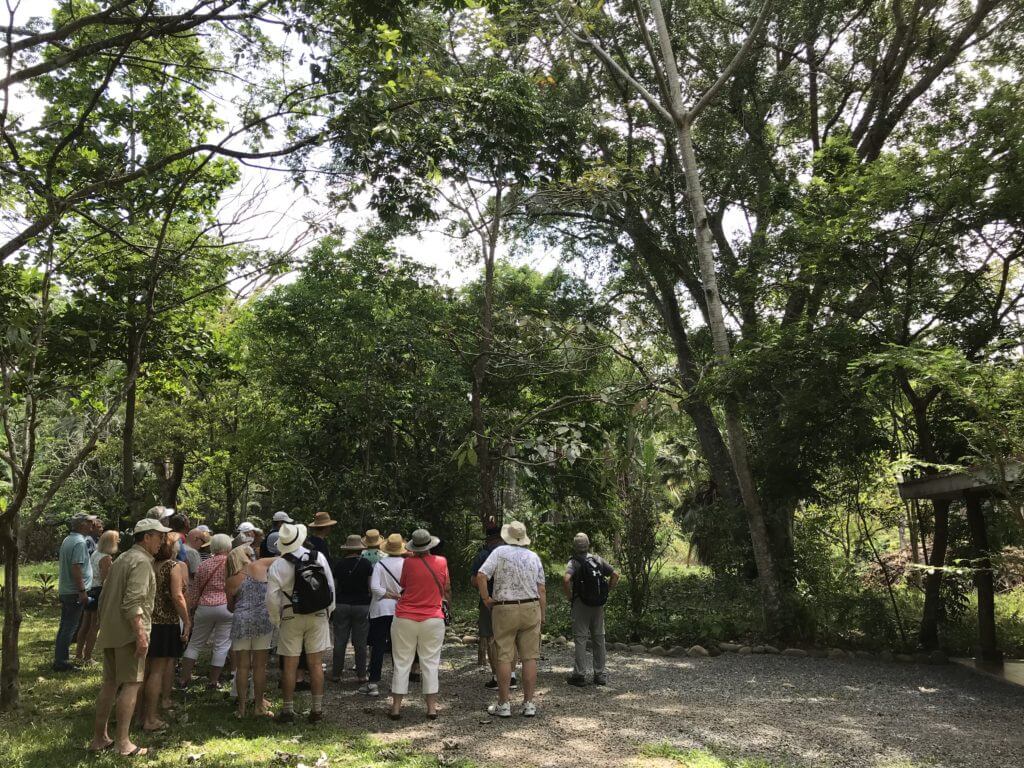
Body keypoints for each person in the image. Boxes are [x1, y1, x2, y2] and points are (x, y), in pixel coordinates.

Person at [89, 517, 168, 756]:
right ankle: (123, 743)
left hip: (112, 631)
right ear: (146, 537)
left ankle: (100, 738)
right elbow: (134, 602)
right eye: (159, 536)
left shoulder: (122, 557)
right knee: (132, 684)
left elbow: (103, 597)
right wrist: (140, 635)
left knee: (110, 684)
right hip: (128, 634)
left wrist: (104, 623)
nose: (162, 541)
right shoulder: (142, 562)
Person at [475, 520, 546, 718]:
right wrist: (543, 613)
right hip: (531, 606)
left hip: (504, 608)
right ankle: (529, 703)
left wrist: (486, 599)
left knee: (504, 655)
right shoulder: (533, 557)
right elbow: (541, 588)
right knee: (529, 657)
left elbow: (481, 575)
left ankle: (504, 703)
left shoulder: (499, 553)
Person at [266, 522, 335, 723]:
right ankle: (317, 710)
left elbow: (271, 598)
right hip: (318, 614)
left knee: (289, 665)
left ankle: (287, 711)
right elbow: (330, 587)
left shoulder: (278, 564)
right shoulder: (318, 557)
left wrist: (277, 620)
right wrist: (328, 612)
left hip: (290, 615)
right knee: (315, 664)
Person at [388, 528, 449, 721]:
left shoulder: (408, 563)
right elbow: (446, 587)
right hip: (432, 616)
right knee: (430, 662)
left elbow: (403, 584)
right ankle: (431, 708)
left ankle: (396, 708)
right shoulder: (442, 562)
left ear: (413, 547)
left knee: (402, 661)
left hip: (405, 617)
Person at [139, 534, 190, 732]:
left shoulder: (148, 563)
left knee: (143, 672)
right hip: (165, 623)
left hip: (146, 621)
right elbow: (178, 595)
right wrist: (186, 620)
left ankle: (139, 715)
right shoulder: (172, 566)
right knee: (157, 672)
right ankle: (151, 717)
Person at [563, 532, 619, 686]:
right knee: (599, 638)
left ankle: (579, 675)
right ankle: (600, 674)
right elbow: (615, 574)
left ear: (575, 546)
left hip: (581, 603)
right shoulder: (597, 559)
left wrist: (570, 598)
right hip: (598, 604)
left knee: (580, 639)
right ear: (588, 545)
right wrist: (607, 590)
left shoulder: (573, 562)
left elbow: (566, 580)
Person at [179, 533, 233, 690]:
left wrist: (190, 609)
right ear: (228, 546)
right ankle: (213, 681)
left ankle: (184, 680)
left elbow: (195, 590)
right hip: (226, 606)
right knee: (222, 645)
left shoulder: (204, 565)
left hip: (205, 606)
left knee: (195, 643)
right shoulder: (233, 564)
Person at [227, 547, 276, 718]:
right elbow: (282, 559)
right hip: (262, 620)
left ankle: (241, 708)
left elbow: (230, 607)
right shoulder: (260, 565)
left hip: (241, 621)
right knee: (260, 667)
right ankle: (258, 706)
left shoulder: (232, 579)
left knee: (242, 667)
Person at [470, 521, 518, 690]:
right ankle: (511, 675)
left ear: (488, 539)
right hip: (512, 600)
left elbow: (475, 580)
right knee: (511, 638)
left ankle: (497, 676)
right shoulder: (513, 553)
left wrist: (486, 594)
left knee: (491, 638)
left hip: (489, 602)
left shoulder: (483, 555)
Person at [54, 513, 97, 671]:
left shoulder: (68, 539)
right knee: (70, 627)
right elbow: (76, 567)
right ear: (81, 525)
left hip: (67, 590)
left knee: (65, 626)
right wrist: (82, 591)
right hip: (74, 591)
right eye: (90, 522)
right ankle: (62, 662)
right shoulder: (79, 542)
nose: (92, 525)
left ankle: (60, 658)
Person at [364, 533, 405, 697]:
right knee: (398, 648)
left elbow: (374, 588)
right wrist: (397, 596)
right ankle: (398, 683)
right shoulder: (406, 564)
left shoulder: (380, 565)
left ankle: (373, 683)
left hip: (380, 609)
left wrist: (386, 594)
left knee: (378, 647)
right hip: (399, 609)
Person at [329, 534, 372, 683]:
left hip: (341, 604)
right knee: (360, 642)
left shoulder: (339, 564)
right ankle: (361, 675)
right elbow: (370, 586)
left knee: (340, 641)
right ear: (360, 549)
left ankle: (336, 674)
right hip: (362, 605)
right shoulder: (366, 564)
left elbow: (334, 586)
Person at [75, 529, 119, 665]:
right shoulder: (106, 558)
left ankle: (78, 655)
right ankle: (87, 657)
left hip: (90, 589)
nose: (119, 542)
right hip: (99, 591)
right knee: (95, 626)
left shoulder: (95, 553)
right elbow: (106, 580)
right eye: (117, 540)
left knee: (85, 624)